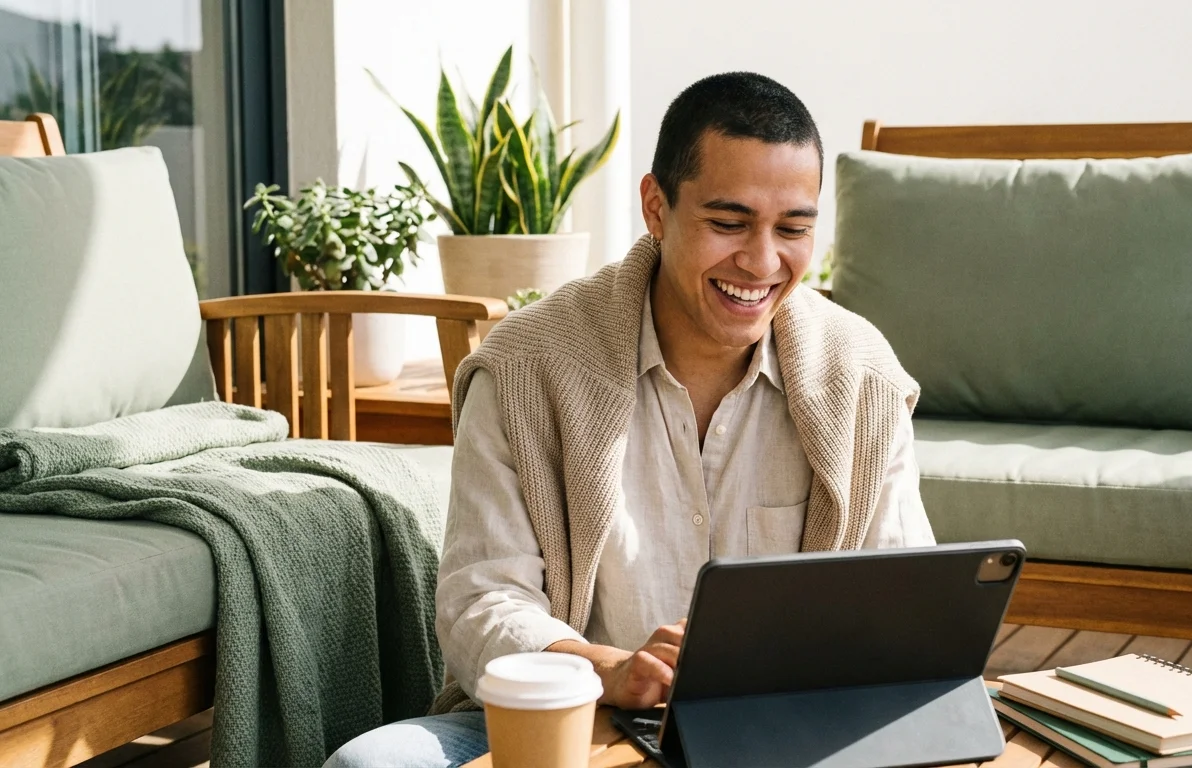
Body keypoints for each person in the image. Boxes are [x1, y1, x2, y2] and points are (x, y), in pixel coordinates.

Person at [325, 70, 934, 768]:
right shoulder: (526, 367)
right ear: (656, 208)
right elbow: (481, 603)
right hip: (566, 720)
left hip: (783, 734)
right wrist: (607, 670)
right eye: (728, 223)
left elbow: (904, 605)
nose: (762, 262)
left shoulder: (862, 379)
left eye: (793, 228)